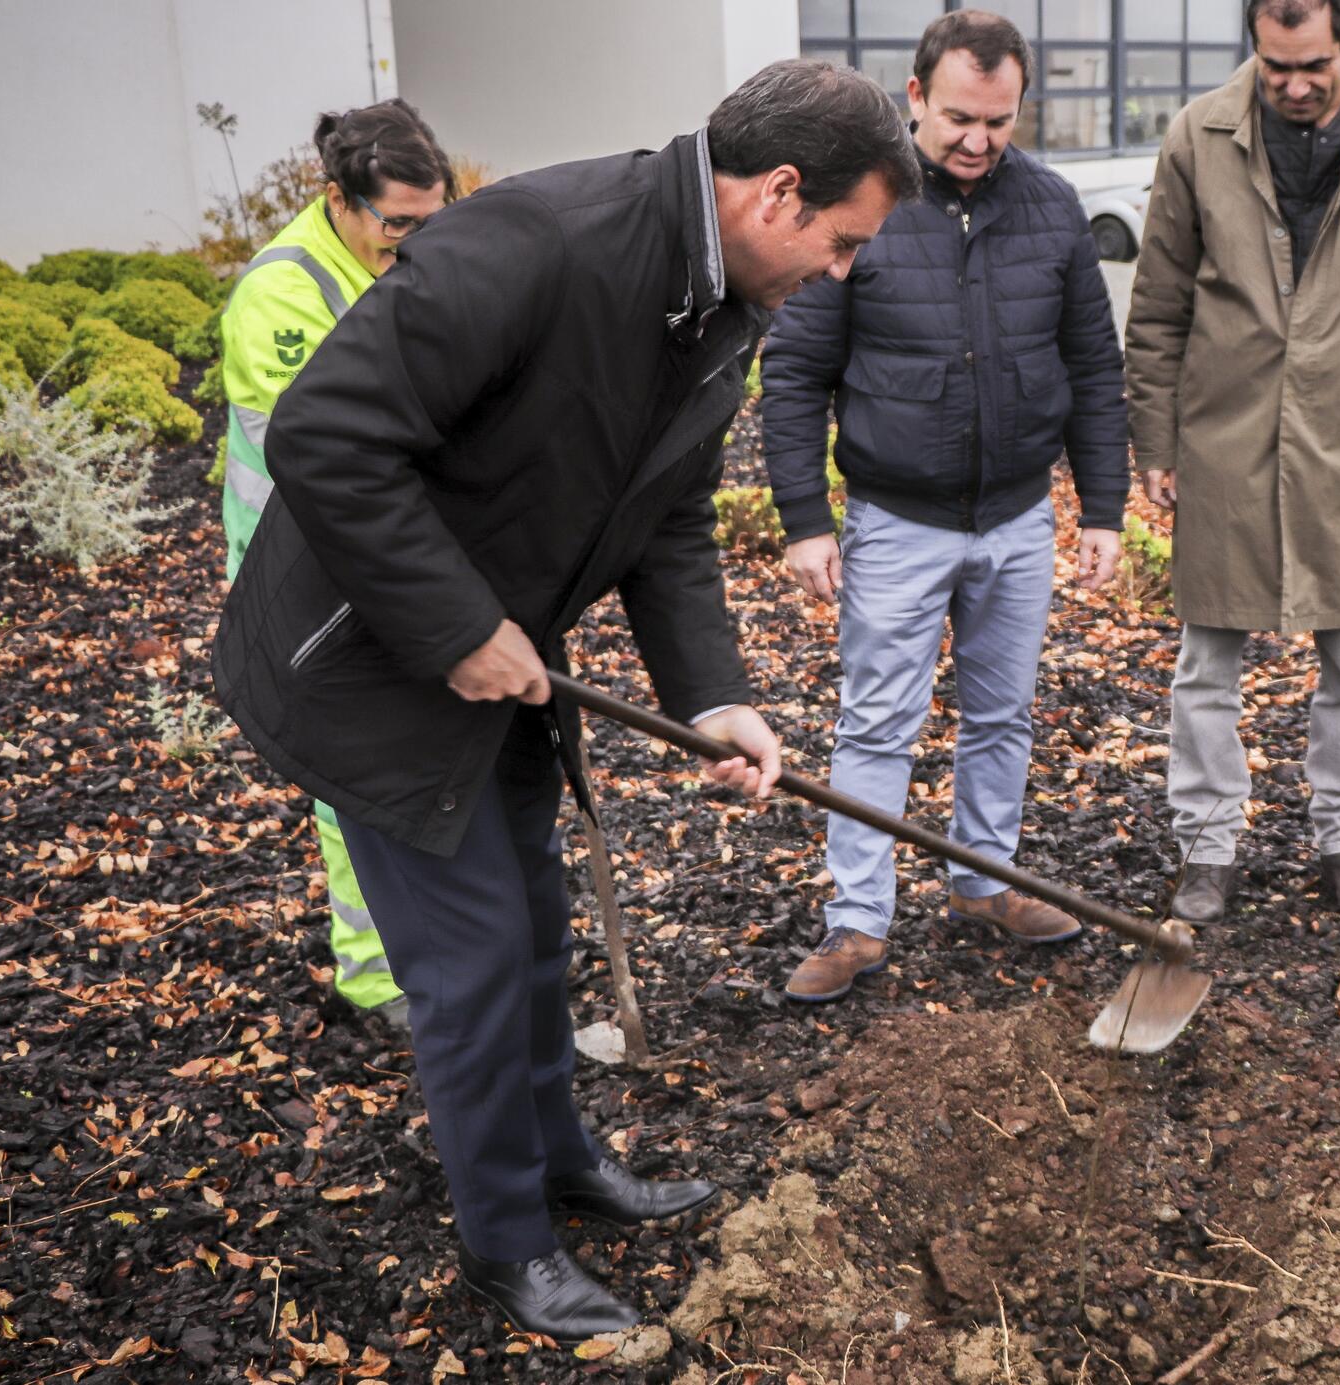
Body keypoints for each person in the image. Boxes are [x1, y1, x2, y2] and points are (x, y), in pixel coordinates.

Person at [212, 60, 919, 1339]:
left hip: (507, 660)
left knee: (534, 929)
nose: (843, 272)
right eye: (844, 239)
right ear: (775, 192)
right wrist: (455, 625)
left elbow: (672, 516)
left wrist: (715, 697)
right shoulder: (537, 242)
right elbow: (322, 431)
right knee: (474, 963)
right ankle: (508, 1242)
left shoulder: (717, 306)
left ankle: (558, 1160)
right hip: (368, 656)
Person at [760, 10, 1130, 1002]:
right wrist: (803, 518)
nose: (977, 140)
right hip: (897, 519)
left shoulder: (1051, 209)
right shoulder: (863, 206)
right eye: (960, 117)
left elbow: (1094, 367)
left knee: (1002, 714)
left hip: (1016, 519)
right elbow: (795, 369)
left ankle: (984, 878)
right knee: (879, 719)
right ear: (914, 96)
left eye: (998, 121)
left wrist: (1102, 508)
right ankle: (855, 920)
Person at [1123, 0, 1340, 925]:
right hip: (1224, 440)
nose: (1290, 84)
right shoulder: (1198, 134)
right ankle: (1206, 851)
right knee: (1205, 665)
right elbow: (1158, 307)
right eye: (1273, 63)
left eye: (1311, 64)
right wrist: (1154, 439)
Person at [217, 100, 454, 1033]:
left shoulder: (397, 253)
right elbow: (324, 467)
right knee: (351, 770)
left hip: (385, 552)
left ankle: (418, 937)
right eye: (395, 224)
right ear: (338, 201)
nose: (413, 244)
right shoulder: (279, 293)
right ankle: (369, 974)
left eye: (431, 223)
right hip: (302, 564)